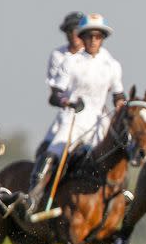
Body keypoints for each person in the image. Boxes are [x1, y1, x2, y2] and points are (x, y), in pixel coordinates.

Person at [20, 13, 125, 218]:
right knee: (53, 153)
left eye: (98, 36)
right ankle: (34, 196)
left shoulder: (112, 65)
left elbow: (118, 95)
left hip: (99, 121)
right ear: (83, 37)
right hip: (73, 119)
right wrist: (66, 101)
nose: (94, 40)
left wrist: (122, 105)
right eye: (89, 36)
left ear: (102, 38)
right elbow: (55, 95)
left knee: (120, 151)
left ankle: (121, 195)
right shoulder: (70, 63)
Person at [36, 12, 89, 158]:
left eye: (77, 30)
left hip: (95, 113)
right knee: (44, 151)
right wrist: (66, 102)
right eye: (69, 31)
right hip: (68, 112)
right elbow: (55, 92)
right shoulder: (58, 55)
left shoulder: (98, 57)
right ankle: (40, 180)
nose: (73, 34)